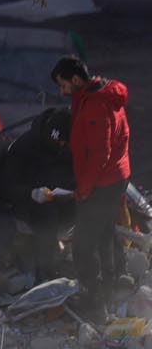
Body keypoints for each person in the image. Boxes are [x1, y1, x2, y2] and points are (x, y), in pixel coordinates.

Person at [53, 56, 133, 311]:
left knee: (85, 245)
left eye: (63, 84)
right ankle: (115, 286)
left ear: (76, 79)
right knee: (106, 234)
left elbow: (99, 153)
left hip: (102, 182)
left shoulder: (96, 105)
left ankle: (94, 300)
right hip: (114, 176)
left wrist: (84, 189)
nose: (61, 90)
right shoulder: (95, 95)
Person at [0, 107, 75, 284]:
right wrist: (31, 193)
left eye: (66, 144)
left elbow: (72, 172)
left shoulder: (66, 146)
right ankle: (45, 272)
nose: (63, 147)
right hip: (29, 204)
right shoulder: (24, 147)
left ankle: (88, 269)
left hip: (62, 200)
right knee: (47, 213)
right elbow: (8, 187)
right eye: (60, 143)